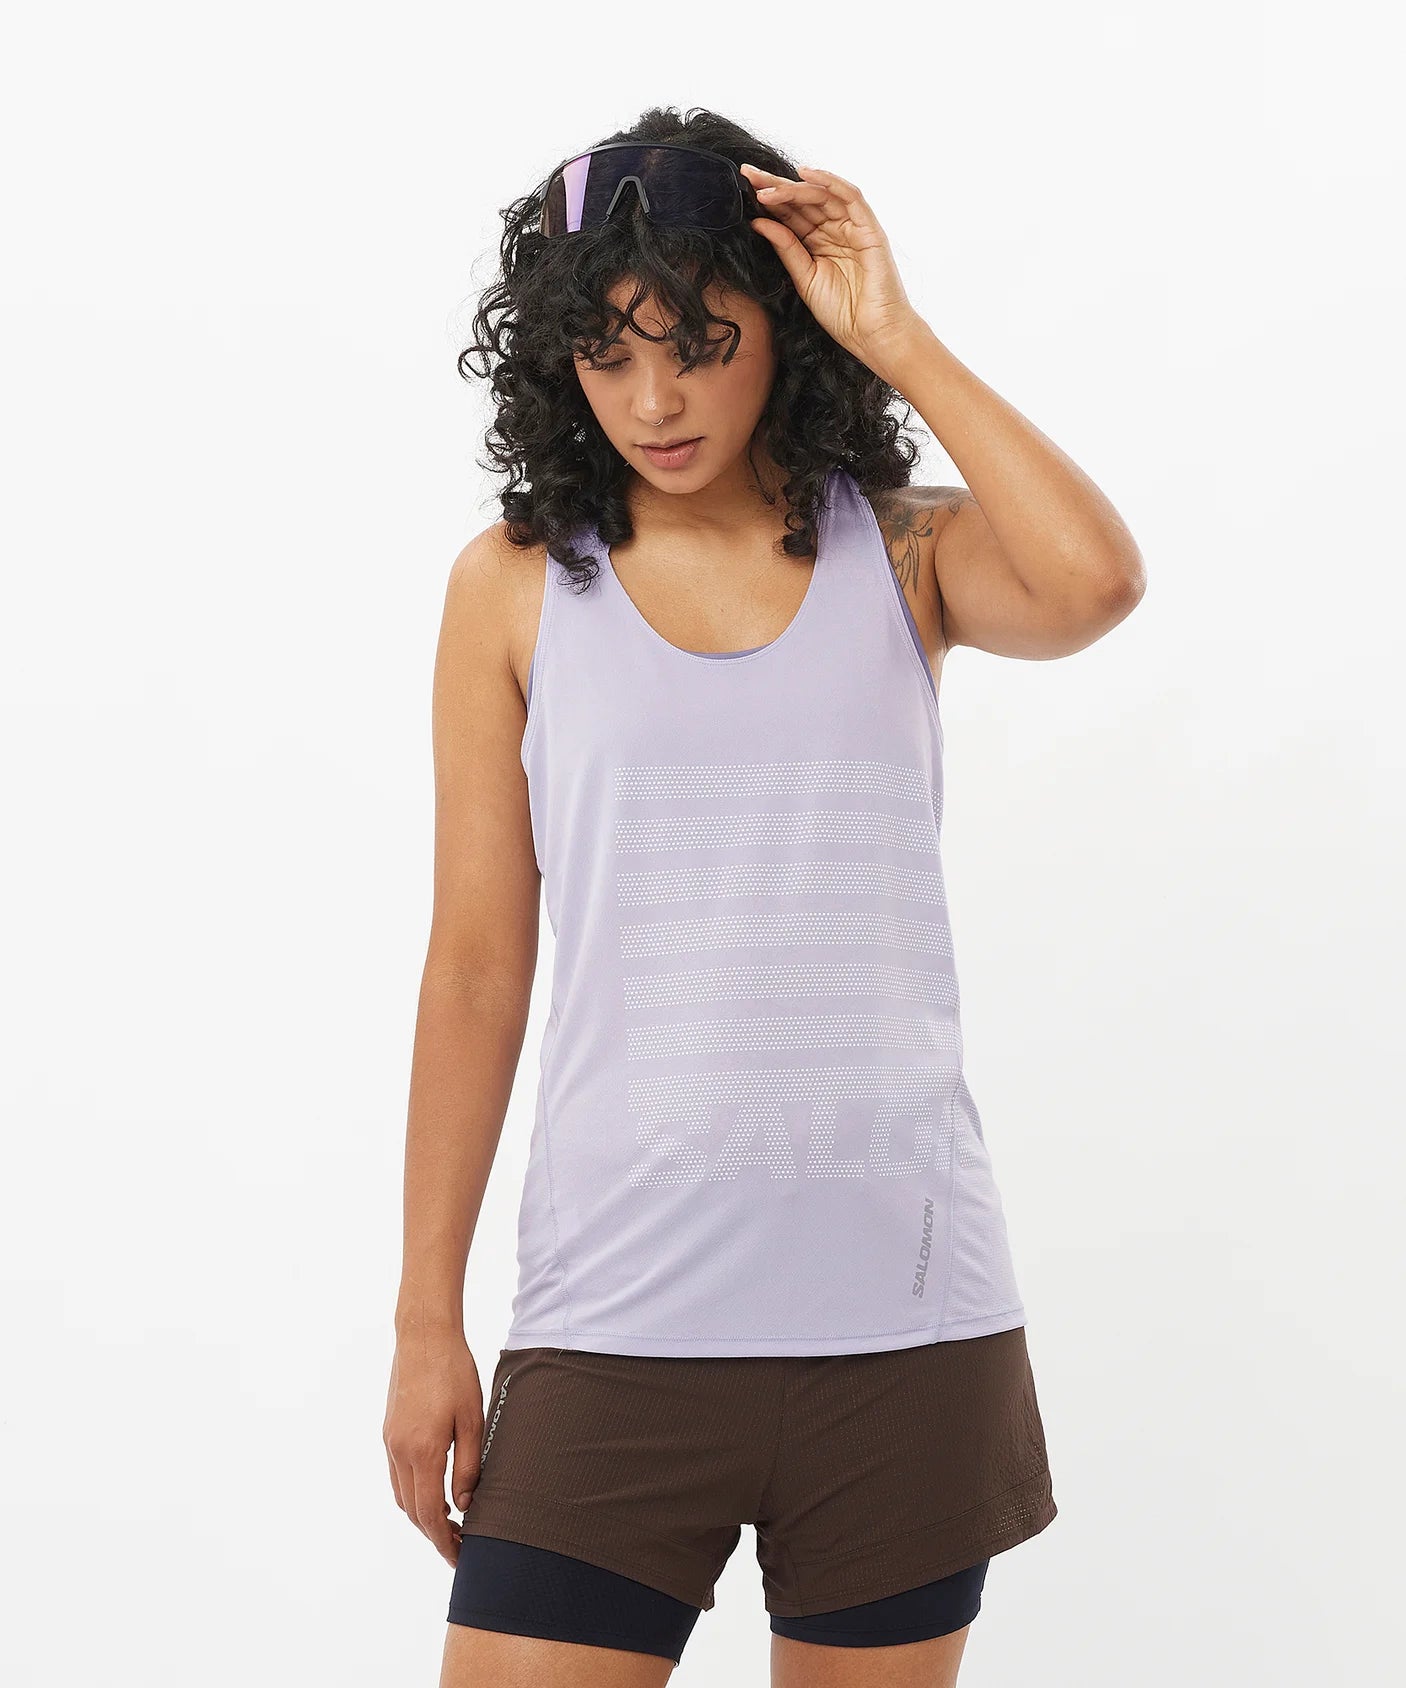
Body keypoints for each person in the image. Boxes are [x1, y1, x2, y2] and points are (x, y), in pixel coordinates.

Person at [384, 107, 1145, 1687]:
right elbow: (474, 967)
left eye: (701, 344)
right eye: (607, 355)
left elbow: (1091, 583)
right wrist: (423, 1319)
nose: (654, 400)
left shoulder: (905, 553)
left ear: (781, 330)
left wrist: (897, 335)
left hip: (901, 1325)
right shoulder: (513, 582)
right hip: (615, 1319)